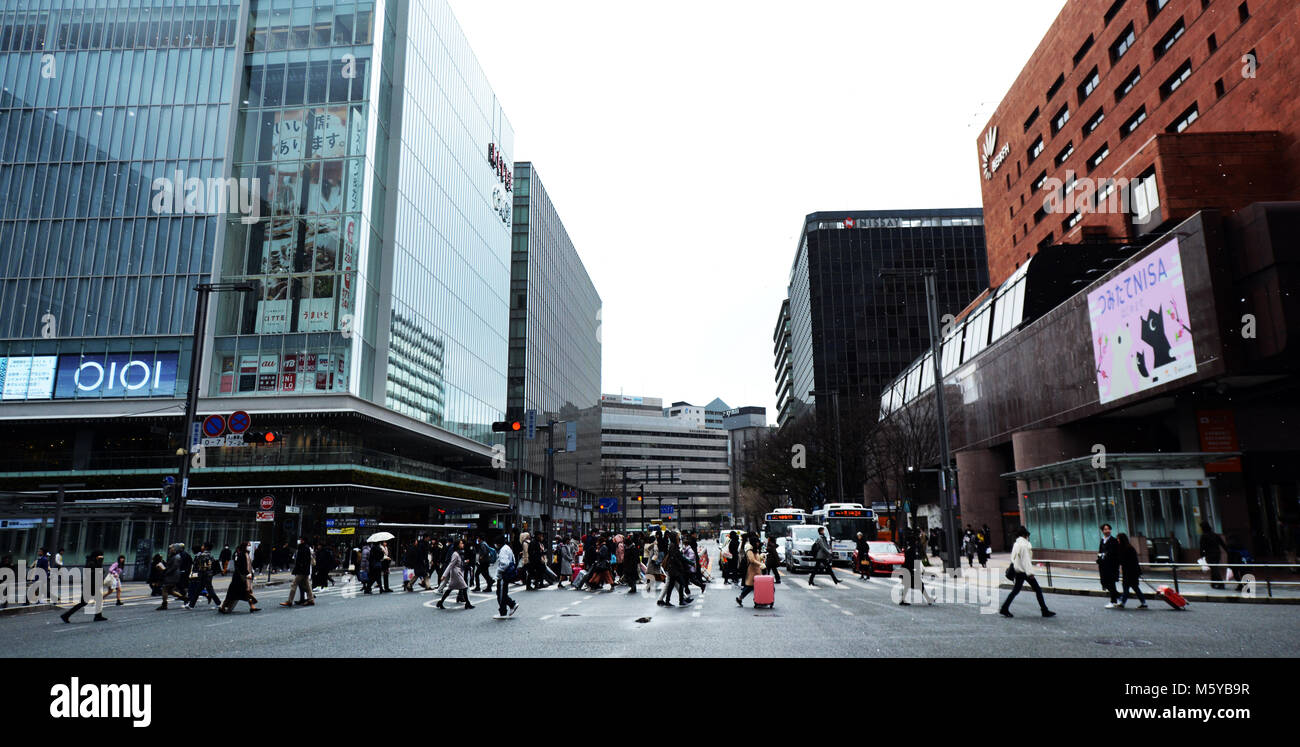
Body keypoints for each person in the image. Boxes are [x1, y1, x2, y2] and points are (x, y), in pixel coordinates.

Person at [999, 526, 1055, 618]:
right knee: (1037, 590)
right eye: (1027, 535)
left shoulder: (1016, 544)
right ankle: (1044, 611)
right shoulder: (1024, 545)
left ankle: (1004, 608)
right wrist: (1030, 573)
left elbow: (1013, 558)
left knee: (1015, 591)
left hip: (1018, 571)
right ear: (1025, 535)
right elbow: (1026, 561)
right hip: (1024, 571)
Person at [59, 550, 108, 623]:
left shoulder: (93, 561)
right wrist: (99, 563)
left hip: (92, 584)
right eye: (101, 556)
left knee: (95, 600)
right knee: (84, 602)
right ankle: (66, 615)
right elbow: (97, 571)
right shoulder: (91, 562)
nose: (102, 557)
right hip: (90, 585)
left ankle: (98, 616)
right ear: (97, 556)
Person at [219, 542, 260, 614]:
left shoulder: (247, 554)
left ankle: (252, 607)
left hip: (245, 577)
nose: (249, 547)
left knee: (247, 592)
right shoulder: (241, 554)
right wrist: (247, 573)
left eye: (250, 546)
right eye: (248, 545)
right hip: (239, 578)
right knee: (232, 594)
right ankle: (223, 607)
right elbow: (240, 566)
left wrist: (251, 573)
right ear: (244, 546)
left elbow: (249, 566)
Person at [898, 529, 933, 606]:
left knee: (910, 585)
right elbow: (912, 561)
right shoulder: (913, 550)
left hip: (908, 570)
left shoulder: (910, 549)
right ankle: (928, 599)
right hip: (910, 570)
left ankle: (903, 600)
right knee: (920, 585)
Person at [435, 539, 473, 610]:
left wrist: (464, 562)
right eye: (461, 543)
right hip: (456, 574)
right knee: (464, 587)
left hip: (457, 573)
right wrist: (444, 575)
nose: (463, 545)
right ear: (458, 545)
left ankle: (440, 602)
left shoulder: (458, 553)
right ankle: (468, 604)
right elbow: (450, 565)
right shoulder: (455, 554)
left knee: (450, 589)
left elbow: (458, 563)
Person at [1112, 533, 1147, 609]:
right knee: (1134, 587)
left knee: (1126, 587)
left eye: (1118, 539)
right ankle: (1143, 602)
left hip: (1130, 572)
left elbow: (1123, 560)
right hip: (1132, 571)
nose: (1117, 540)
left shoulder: (1126, 549)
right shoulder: (1129, 547)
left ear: (1121, 539)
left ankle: (1122, 603)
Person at [281, 537, 316, 607]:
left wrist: (300, 569)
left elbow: (303, 560)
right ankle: (311, 599)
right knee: (307, 585)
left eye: (301, 539)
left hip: (302, 570)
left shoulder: (304, 548)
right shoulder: (304, 547)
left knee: (294, 584)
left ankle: (290, 601)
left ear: (303, 540)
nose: (300, 541)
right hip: (304, 570)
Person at [187, 543, 221, 609]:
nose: (201, 547)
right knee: (199, 589)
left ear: (205, 547)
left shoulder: (202, 555)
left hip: (203, 574)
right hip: (209, 574)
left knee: (208, 589)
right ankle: (191, 605)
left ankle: (219, 603)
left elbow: (196, 565)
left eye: (202, 546)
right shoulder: (210, 555)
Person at [736, 533, 765, 606]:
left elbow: (756, 558)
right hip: (752, 571)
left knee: (754, 587)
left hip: (757, 571)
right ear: (754, 543)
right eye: (757, 542)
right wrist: (760, 564)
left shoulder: (755, 549)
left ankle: (756, 600)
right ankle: (754, 601)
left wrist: (761, 557)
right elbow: (752, 560)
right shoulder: (749, 550)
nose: (758, 544)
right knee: (750, 587)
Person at [493, 535, 518, 618]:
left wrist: (499, 572)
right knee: (503, 593)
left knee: (500, 594)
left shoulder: (503, 550)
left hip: (503, 575)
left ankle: (504, 611)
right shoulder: (507, 548)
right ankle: (511, 605)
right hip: (507, 574)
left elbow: (505, 563)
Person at [1097, 523, 1121, 606]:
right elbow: (1100, 551)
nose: (1107, 531)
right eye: (1105, 529)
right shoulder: (1102, 540)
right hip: (1103, 565)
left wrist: (1105, 555)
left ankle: (1113, 600)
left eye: (1108, 529)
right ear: (1102, 531)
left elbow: (1114, 553)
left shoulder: (1113, 541)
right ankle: (1119, 596)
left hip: (1111, 565)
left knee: (1111, 583)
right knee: (1104, 582)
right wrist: (1100, 556)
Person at [1199, 520, 1228, 589]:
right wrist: (1227, 551)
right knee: (1214, 568)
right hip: (1217, 554)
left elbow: (1202, 547)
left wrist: (1202, 555)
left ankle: (1221, 584)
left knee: (1214, 569)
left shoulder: (1203, 536)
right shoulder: (1215, 535)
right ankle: (1213, 583)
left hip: (1209, 554)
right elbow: (1222, 544)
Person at [156, 544, 186, 610]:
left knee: (165, 589)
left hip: (172, 575)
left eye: (172, 548)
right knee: (170, 590)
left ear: (176, 549)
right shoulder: (174, 556)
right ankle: (184, 598)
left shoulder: (176, 557)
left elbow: (173, 567)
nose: (170, 550)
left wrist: (165, 571)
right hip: (173, 575)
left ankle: (164, 604)